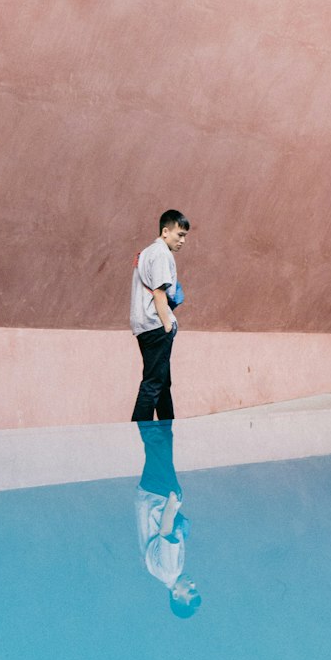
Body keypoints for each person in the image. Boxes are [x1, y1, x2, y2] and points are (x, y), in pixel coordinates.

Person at [135, 420, 202, 618]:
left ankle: (149, 389)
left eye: (190, 590)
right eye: (195, 588)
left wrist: (172, 500)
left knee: (157, 440)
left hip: (158, 495)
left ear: (175, 594)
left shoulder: (171, 571)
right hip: (152, 495)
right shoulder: (163, 573)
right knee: (163, 438)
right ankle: (159, 389)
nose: (193, 584)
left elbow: (165, 532)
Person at [130, 209, 190, 422]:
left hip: (143, 325)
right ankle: (134, 435)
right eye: (179, 235)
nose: (182, 240)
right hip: (156, 325)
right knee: (154, 383)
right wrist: (167, 325)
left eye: (184, 236)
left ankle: (168, 427)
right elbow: (159, 292)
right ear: (165, 231)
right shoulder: (162, 253)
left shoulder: (146, 252)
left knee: (162, 382)